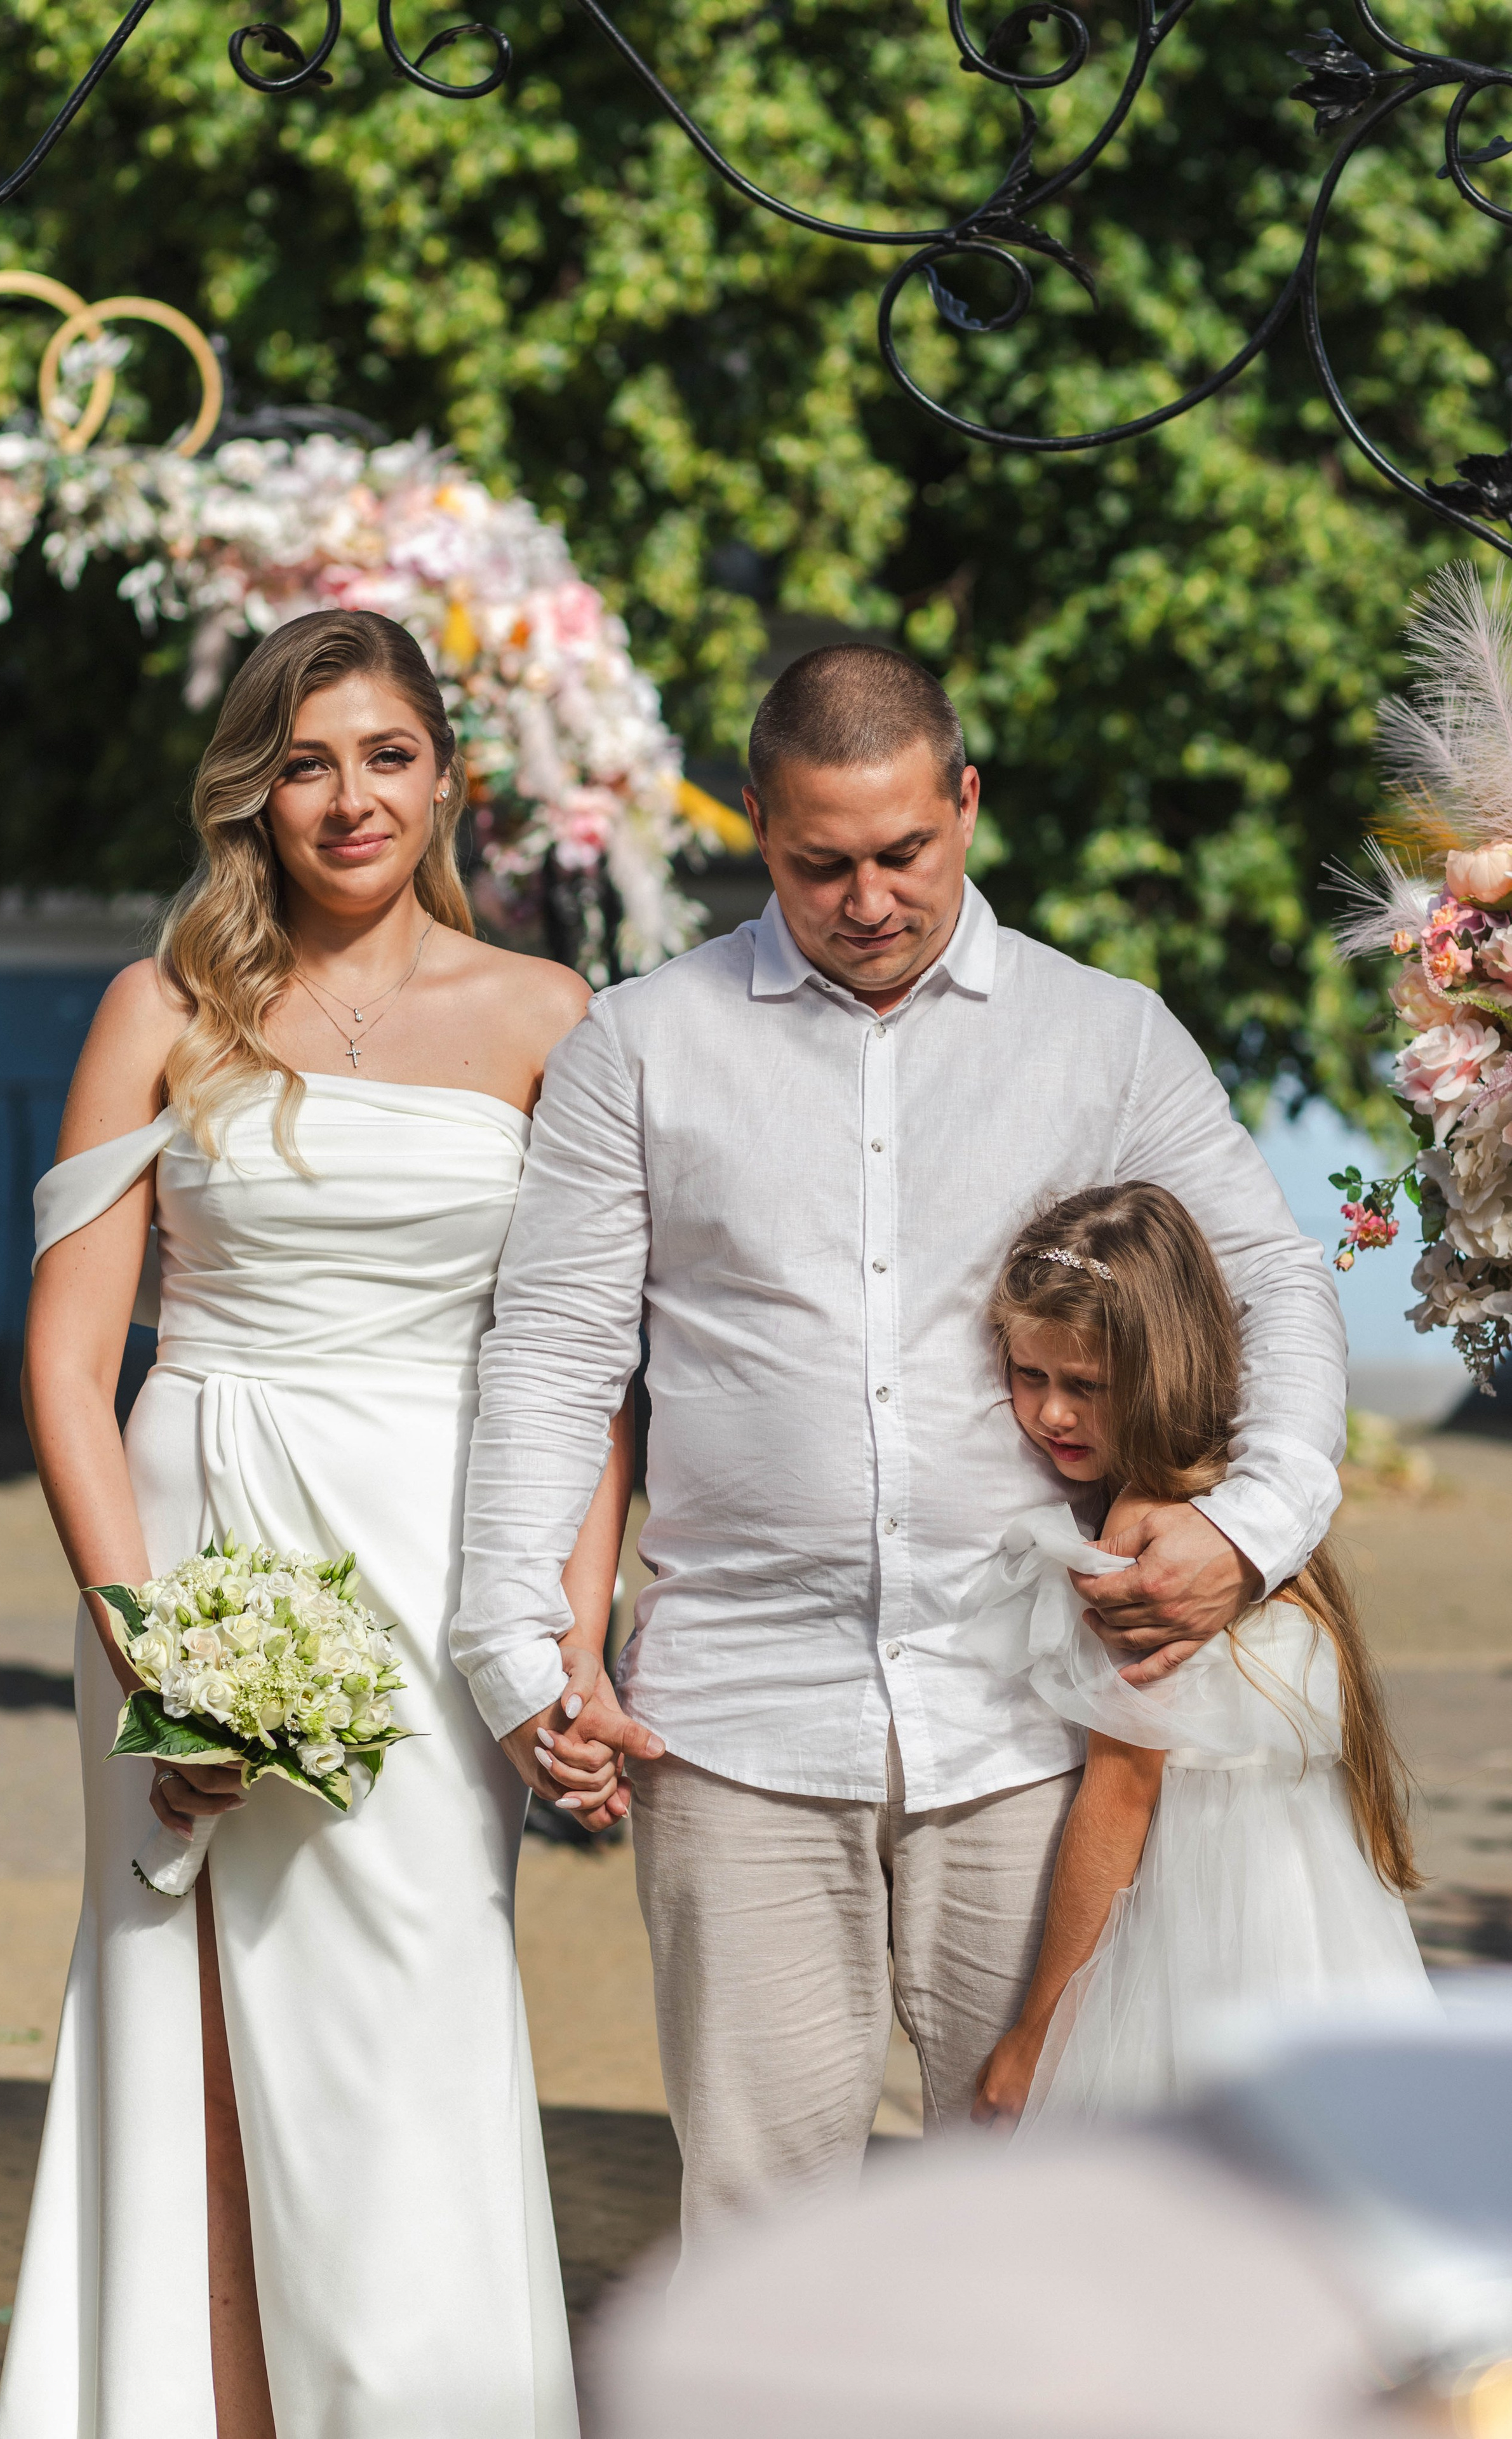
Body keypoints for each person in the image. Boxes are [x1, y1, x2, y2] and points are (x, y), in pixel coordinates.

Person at [450, 642, 1349, 2250]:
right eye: (820, 865)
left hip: (1028, 1722)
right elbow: (558, 1352)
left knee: (1035, 2220)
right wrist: (512, 1636)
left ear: (965, 803)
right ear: (752, 822)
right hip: (736, 1721)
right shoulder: (639, 1045)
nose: (866, 899)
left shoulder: (1105, 1036)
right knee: (759, 2233)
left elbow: (1270, 1280)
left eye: (902, 852)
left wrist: (1256, 1522)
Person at [0, 608, 627, 2439]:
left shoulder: (549, 1016)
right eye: (304, 763)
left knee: (412, 2009)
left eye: (385, 756)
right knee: (186, 2009)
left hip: (441, 1554)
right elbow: (67, 1363)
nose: (350, 799)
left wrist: (571, 1638)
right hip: (191, 1539)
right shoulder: (160, 1009)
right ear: (252, 796)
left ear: (446, 779)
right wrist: (149, 1652)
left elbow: (584, 1369)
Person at [968, 1185, 1433, 2130]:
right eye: (1028, 1374)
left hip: (1198, 1953)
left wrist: (1037, 2032)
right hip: (1316, 1947)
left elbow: (1120, 1794)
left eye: (1086, 1385)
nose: (1051, 1413)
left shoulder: (1142, 1540)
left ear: (1159, 1369)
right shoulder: (1248, 1531)